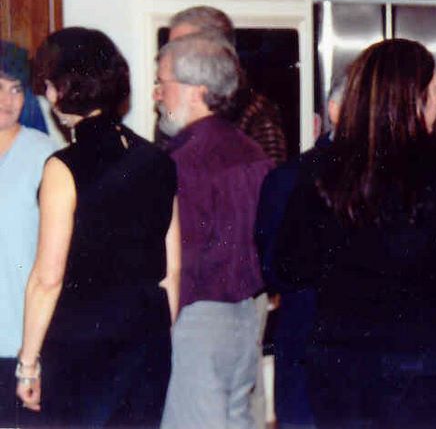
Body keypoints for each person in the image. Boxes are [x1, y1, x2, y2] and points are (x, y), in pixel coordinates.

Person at [274, 38, 436, 429]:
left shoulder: (318, 171)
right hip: (420, 373)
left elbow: (289, 268)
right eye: (433, 92)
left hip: (338, 368)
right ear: (413, 101)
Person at [15, 27, 181, 427]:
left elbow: (47, 278)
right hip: (147, 339)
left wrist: (28, 363)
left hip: (81, 344)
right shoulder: (157, 159)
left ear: (60, 91)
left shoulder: (64, 166)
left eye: (49, 84)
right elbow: (172, 272)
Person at [156, 32, 273, 429]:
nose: (158, 95)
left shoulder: (182, 161)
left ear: (196, 91)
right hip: (245, 318)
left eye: (163, 82)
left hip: (196, 321)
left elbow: (180, 262)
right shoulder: (252, 152)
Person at [255, 69, 347, 429]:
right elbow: (272, 267)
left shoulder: (395, 178)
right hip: (308, 351)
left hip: (349, 360)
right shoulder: (290, 178)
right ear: (335, 110)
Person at [0, 42, 56, 427]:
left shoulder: (45, 154)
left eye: (16, 89)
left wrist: (31, 358)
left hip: (21, 340)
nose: (6, 100)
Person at [167, 5, 288, 165]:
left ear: (217, 51)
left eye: (180, 48)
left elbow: (272, 178)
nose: (169, 56)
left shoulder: (257, 116)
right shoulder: (171, 107)